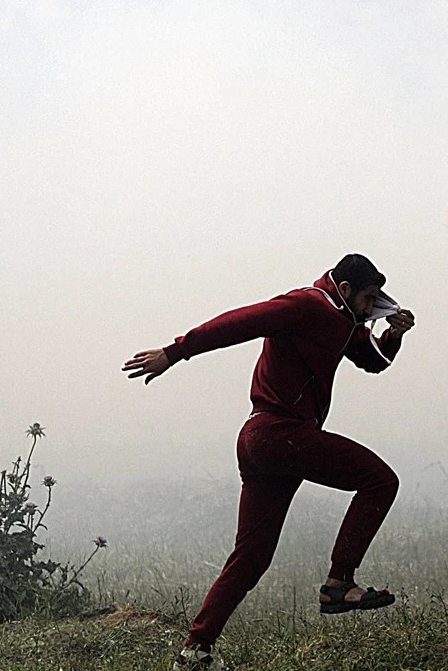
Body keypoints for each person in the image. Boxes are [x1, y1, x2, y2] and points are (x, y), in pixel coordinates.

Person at [122, 254, 416, 671]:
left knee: (252, 556)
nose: (372, 309)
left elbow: (375, 361)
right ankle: (338, 584)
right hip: (279, 435)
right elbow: (240, 322)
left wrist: (394, 335)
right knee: (380, 481)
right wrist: (175, 352)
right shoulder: (307, 305)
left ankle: (194, 652)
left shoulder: (346, 321)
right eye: (369, 299)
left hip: (265, 443)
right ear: (346, 289)